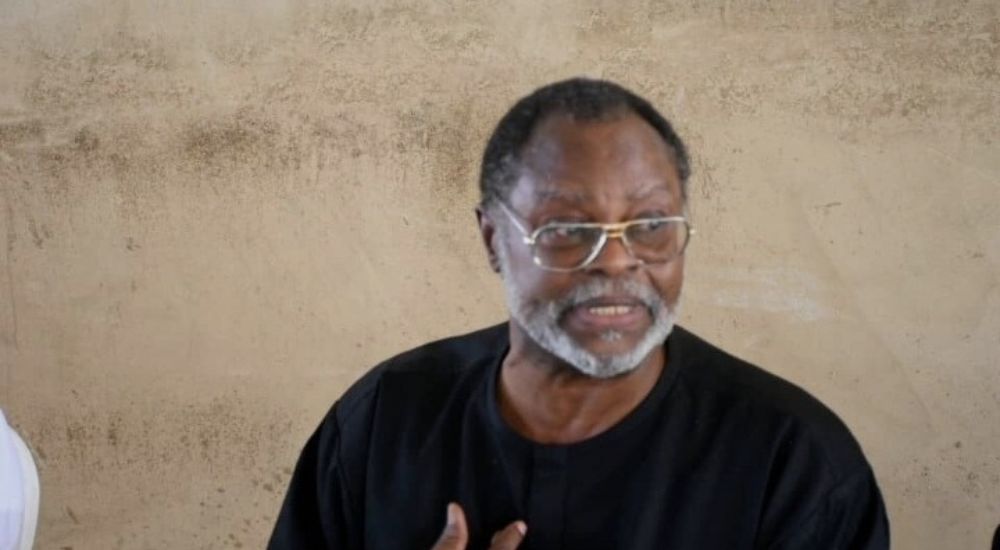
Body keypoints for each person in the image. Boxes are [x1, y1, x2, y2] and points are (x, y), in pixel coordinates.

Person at [269, 78, 890, 549]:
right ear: (493, 239)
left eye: (651, 224)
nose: (616, 261)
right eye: (567, 228)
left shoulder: (793, 463)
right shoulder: (384, 422)